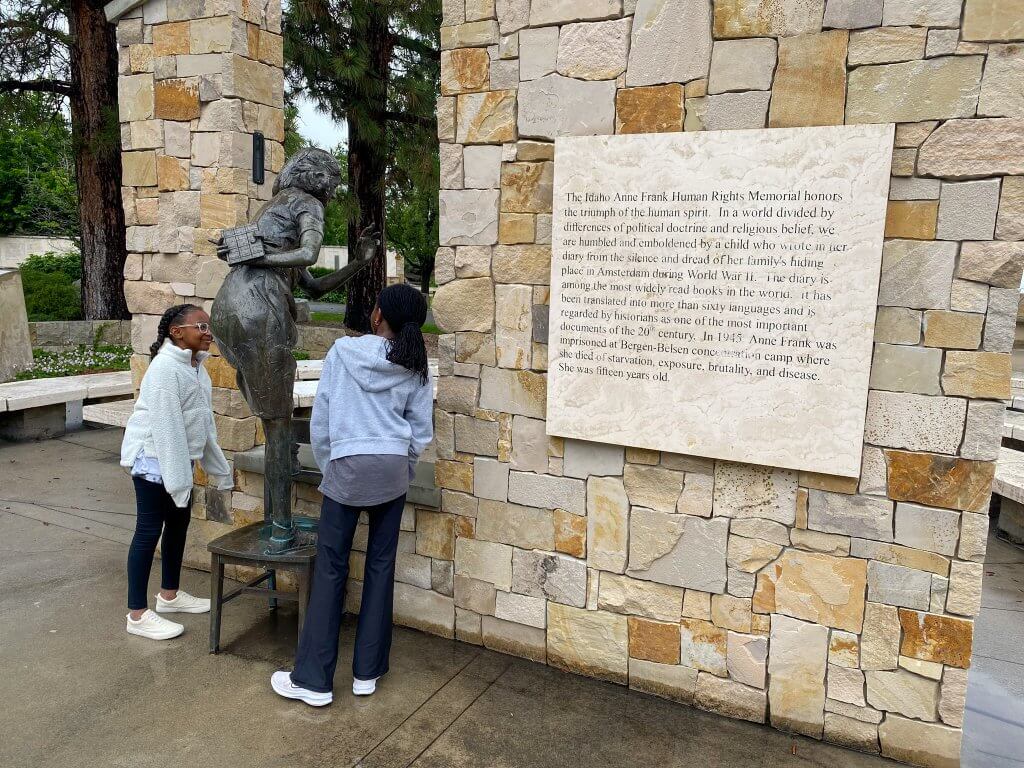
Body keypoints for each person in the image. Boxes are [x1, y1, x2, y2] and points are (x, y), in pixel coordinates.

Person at [271, 284, 433, 705]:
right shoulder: (416, 362)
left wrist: (332, 466)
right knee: (381, 565)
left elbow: (322, 419)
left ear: (378, 315)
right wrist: (403, 466)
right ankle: (367, 673)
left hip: (348, 464)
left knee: (331, 567)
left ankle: (314, 681)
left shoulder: (343, 352)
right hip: (393, 467)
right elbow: (421, 431)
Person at [120, 304, 234, 640]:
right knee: (147, 532)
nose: (208, 332)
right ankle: (137, 615)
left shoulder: (196, 368)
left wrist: (219, 469)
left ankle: (169, 596)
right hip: (154, 461)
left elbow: (204, 424)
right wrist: (180, 480)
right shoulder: (165, 370)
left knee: (178, 526)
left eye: (209, 326)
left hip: (176, 462)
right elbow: (167, 429)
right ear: (177, 332)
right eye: (201, 325)